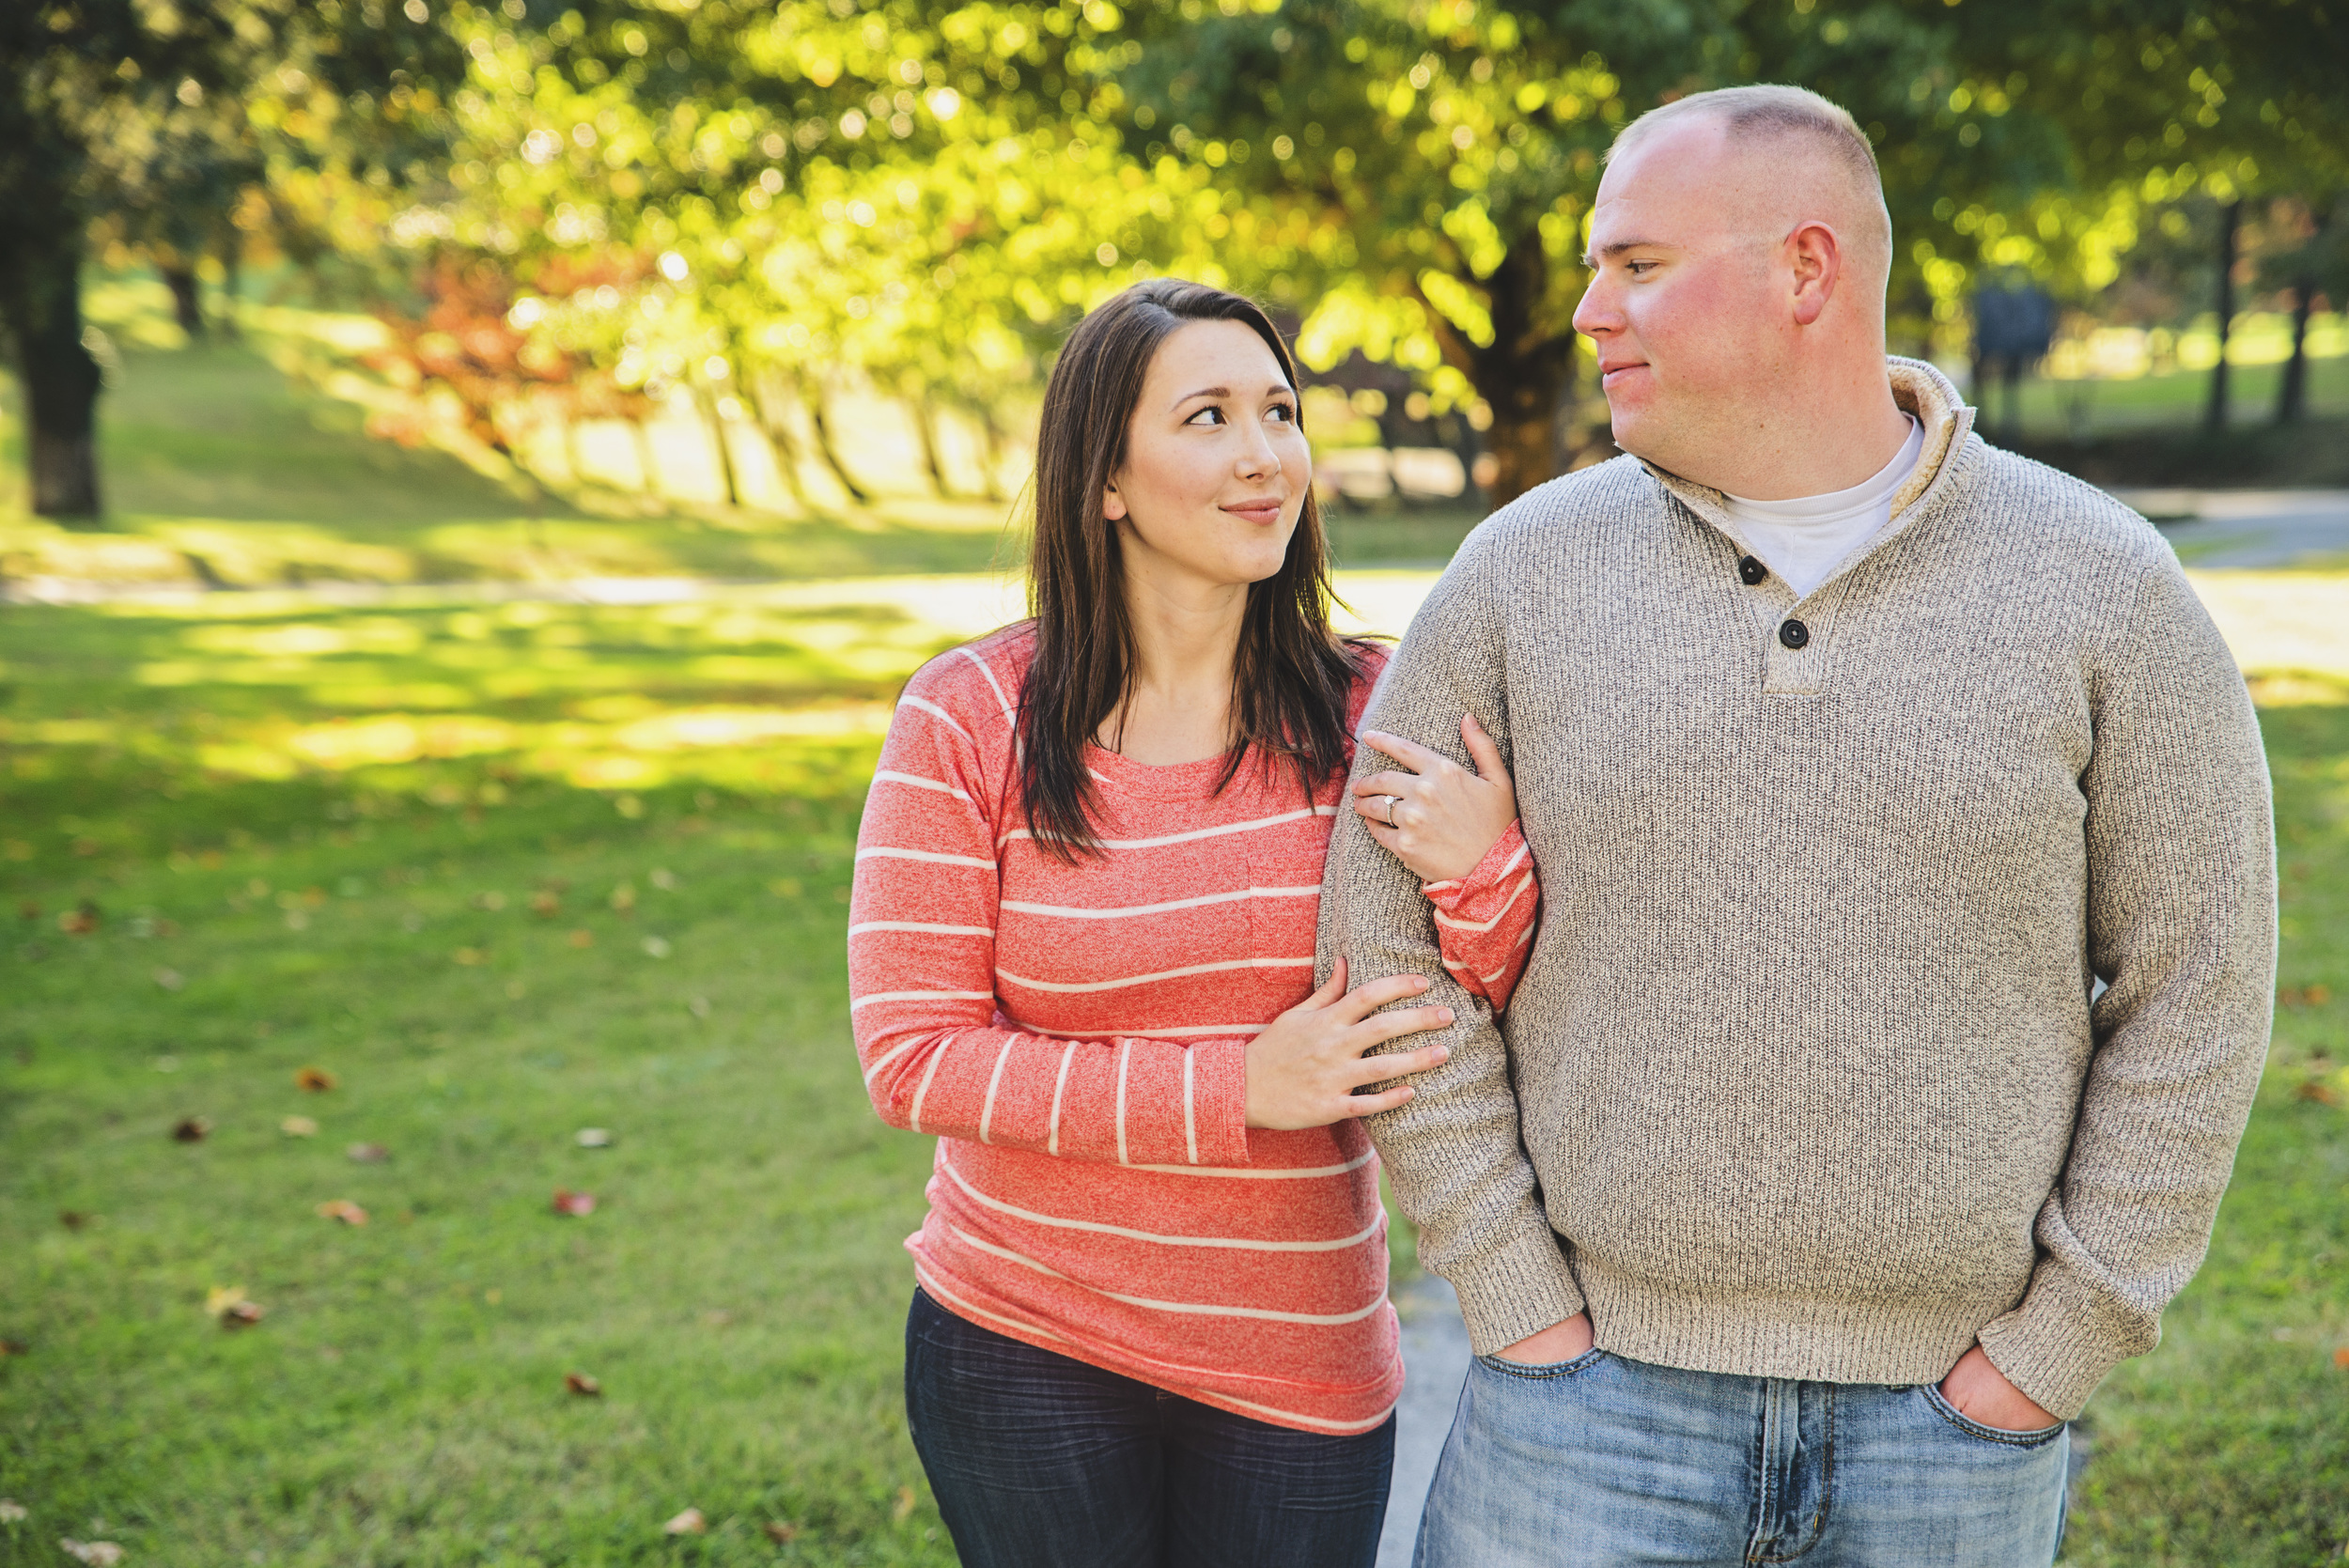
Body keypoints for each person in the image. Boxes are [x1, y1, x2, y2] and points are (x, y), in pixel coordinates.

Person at [1319, 85, 2277, 1568]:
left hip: (1951, 1442)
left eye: (1636, 264)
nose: (1586, 310)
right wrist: (1517, 1296)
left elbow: (2199, 992)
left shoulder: (2104, 588)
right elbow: (1379, 947)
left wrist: (2048, 1355)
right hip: (1584, 1415)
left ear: (1805, 271)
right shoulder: (1518, 576)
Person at [848, 278, 1543, 1568]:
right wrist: (1239, 1087)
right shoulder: (968, 716)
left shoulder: (1367, 708)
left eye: (1279, 412)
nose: (1263, 454)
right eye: (1209, 416)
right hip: (1023, 1336)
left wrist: (1482, 872)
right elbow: (913, 1056)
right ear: (1104, 477)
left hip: (1300, 1354)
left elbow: (1486, 1003)